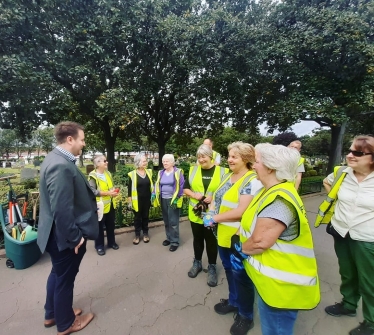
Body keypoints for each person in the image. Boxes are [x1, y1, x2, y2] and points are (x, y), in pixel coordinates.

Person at [232, 143, 320, 335]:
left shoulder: (279, 200)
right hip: (274, 282)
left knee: (276, 330)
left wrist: (240, 251)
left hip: (281, 288)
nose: (253, 166)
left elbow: (259, 242)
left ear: (271, 167)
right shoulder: (271, 190)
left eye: (257, 162)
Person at [37, 121, 98, 335]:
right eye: (82, 139)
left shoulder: (55, 159)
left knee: (57, 274)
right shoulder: (61, 165)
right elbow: (61, 210)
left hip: (55, 235)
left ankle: (52, 314)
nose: (83, 144)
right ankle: (66, 323)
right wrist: (75, 238)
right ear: (70, 139)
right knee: (65, 279)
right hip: (64, 237)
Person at [203, 141, 262, 335]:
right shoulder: (229, 176)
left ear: (246, 159)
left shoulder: (251, 180)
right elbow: (215, 198)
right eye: (229, 156)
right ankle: (234, 301)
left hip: (239, 238)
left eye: (234, 156)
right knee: (229, 270)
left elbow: (242, 211)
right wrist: (211, 211)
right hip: (223, 235)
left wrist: (214, 217)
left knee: (242, 276)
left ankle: (246, 316)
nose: (229, 159)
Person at [317, 135, 374, 335]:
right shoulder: (342, 173)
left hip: (367, 238)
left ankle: (371, 322)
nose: (350, 155)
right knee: (348, 273)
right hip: (341, 231)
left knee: (369, 281)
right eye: (350, 151)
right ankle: (348, 304)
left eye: (358, 153)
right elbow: (327, 182)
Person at [183, 144, 228, 287]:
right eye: (199, 157)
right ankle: (196, 262)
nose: (201, 160)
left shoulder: (223, 172)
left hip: (213, 214)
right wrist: (195, 195)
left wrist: (213, 197)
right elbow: (185, 189)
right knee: (197, 239)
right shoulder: (192, 171)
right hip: (196, 212)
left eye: (204, 156)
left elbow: (227, 190)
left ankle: (212, 267)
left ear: (211, 156)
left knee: (211, 240)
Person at [88, 155, 120, 256]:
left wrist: (114, 192)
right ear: (98, 164)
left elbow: (111, 186)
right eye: (104, 161)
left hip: (110, 204)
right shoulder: (93, 176)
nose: (107, 162)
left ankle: (111, 243)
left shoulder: (108, 173)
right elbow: (92, 191)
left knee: (111, 225)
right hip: (99, 206)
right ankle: (99, 246)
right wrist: (108, 193)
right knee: (99, 228)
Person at [152, 154, 184, 252]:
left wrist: (176, 198)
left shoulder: (178, 172)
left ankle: (175, 242)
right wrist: (154, 193)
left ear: (172, 162)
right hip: (163, 199)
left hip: (173, 199)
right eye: (163, 161)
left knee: (173, 221)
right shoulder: (161, 173)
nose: (165, 163)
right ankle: (169, 238)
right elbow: (157, 184)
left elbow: (181, 186)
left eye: (167, 161)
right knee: (166, 220)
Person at [127, 153, 153, 245]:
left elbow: (151, 186)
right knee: (137, 218)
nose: (146, 162)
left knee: (145, 216)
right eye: (144, 161)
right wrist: (129, 202)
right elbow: (129, 189)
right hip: (137, 200)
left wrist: (153, 196)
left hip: (147, 199)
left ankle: (145, 234)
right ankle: (137, 235)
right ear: (138, 162)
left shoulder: (149, 172)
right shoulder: (132, 174)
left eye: (146, 160)